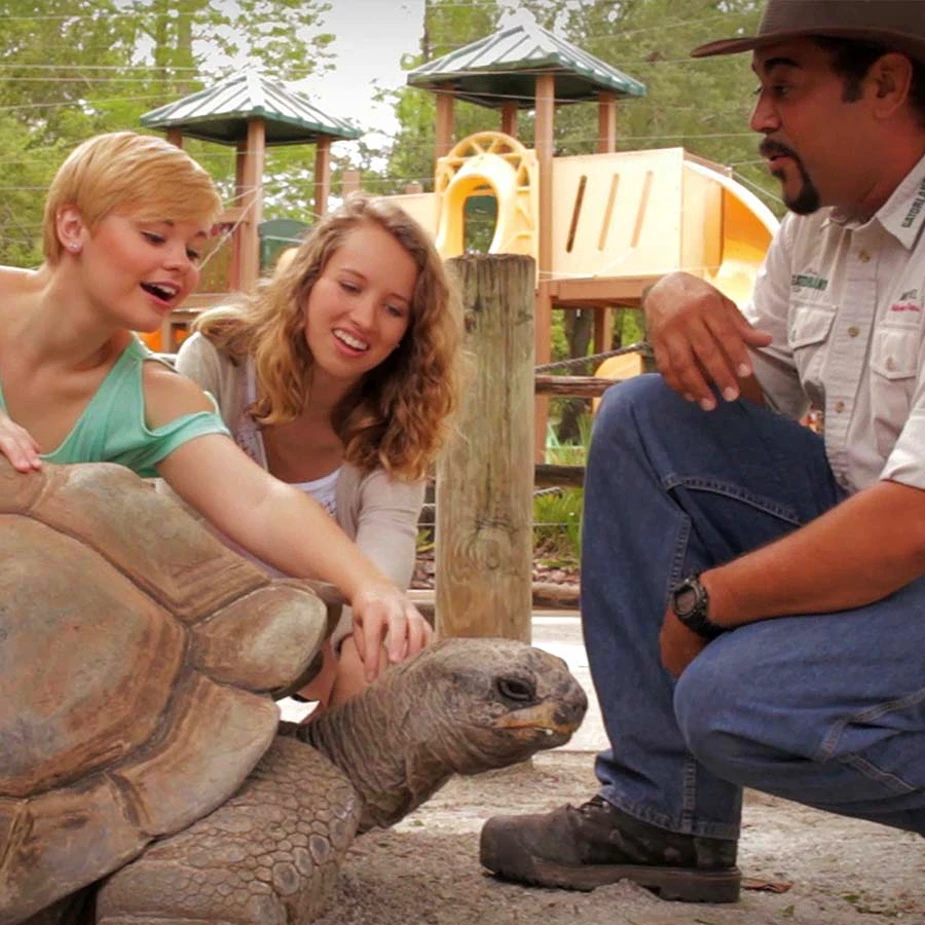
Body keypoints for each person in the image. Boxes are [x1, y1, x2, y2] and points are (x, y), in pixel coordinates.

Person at [480, 0, 925, 905]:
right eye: (760, 89)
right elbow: (730, 402)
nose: (759, 117)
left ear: (883, 85)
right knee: (643, 413)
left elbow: (911, 524)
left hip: (908, 540)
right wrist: (672, 293)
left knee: (732, 698)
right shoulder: (817, 227)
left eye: (783, 87)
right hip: (880, 541)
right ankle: (663, 818)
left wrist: (707, 604)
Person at [0, 131, 433, 684]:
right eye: (155, 236)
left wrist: (368, 586)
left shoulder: (157, 397)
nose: (178, 263)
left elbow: (259, 501)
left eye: (193, 250)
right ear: (73, 227)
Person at [172, 194, 461, 706]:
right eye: (349, 287)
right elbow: (165, 524)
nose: (365, 319)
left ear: (408, 335)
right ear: (308, 282)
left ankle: (333, 767)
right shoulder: (219, 362)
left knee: (391, 647)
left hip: (315, 637)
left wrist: (354, 649)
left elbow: (382, 570)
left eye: (394, 309)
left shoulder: (400, 422)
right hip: (188, 622)